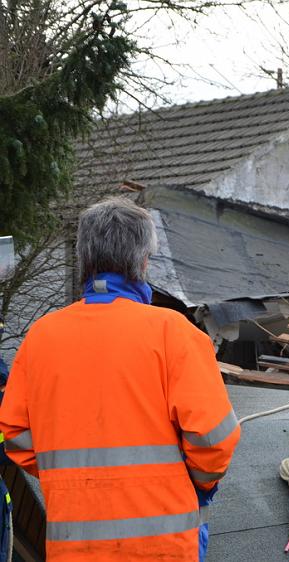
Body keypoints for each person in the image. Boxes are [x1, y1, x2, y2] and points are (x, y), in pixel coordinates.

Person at [0, 198, 240, 561]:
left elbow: (15, 434)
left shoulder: (39, 339)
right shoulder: (174, 333)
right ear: (143, 262)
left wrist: (69, 480)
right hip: (164, 546)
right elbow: (214, 438)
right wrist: (199, 485)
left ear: (84, 258)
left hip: (73, 548)